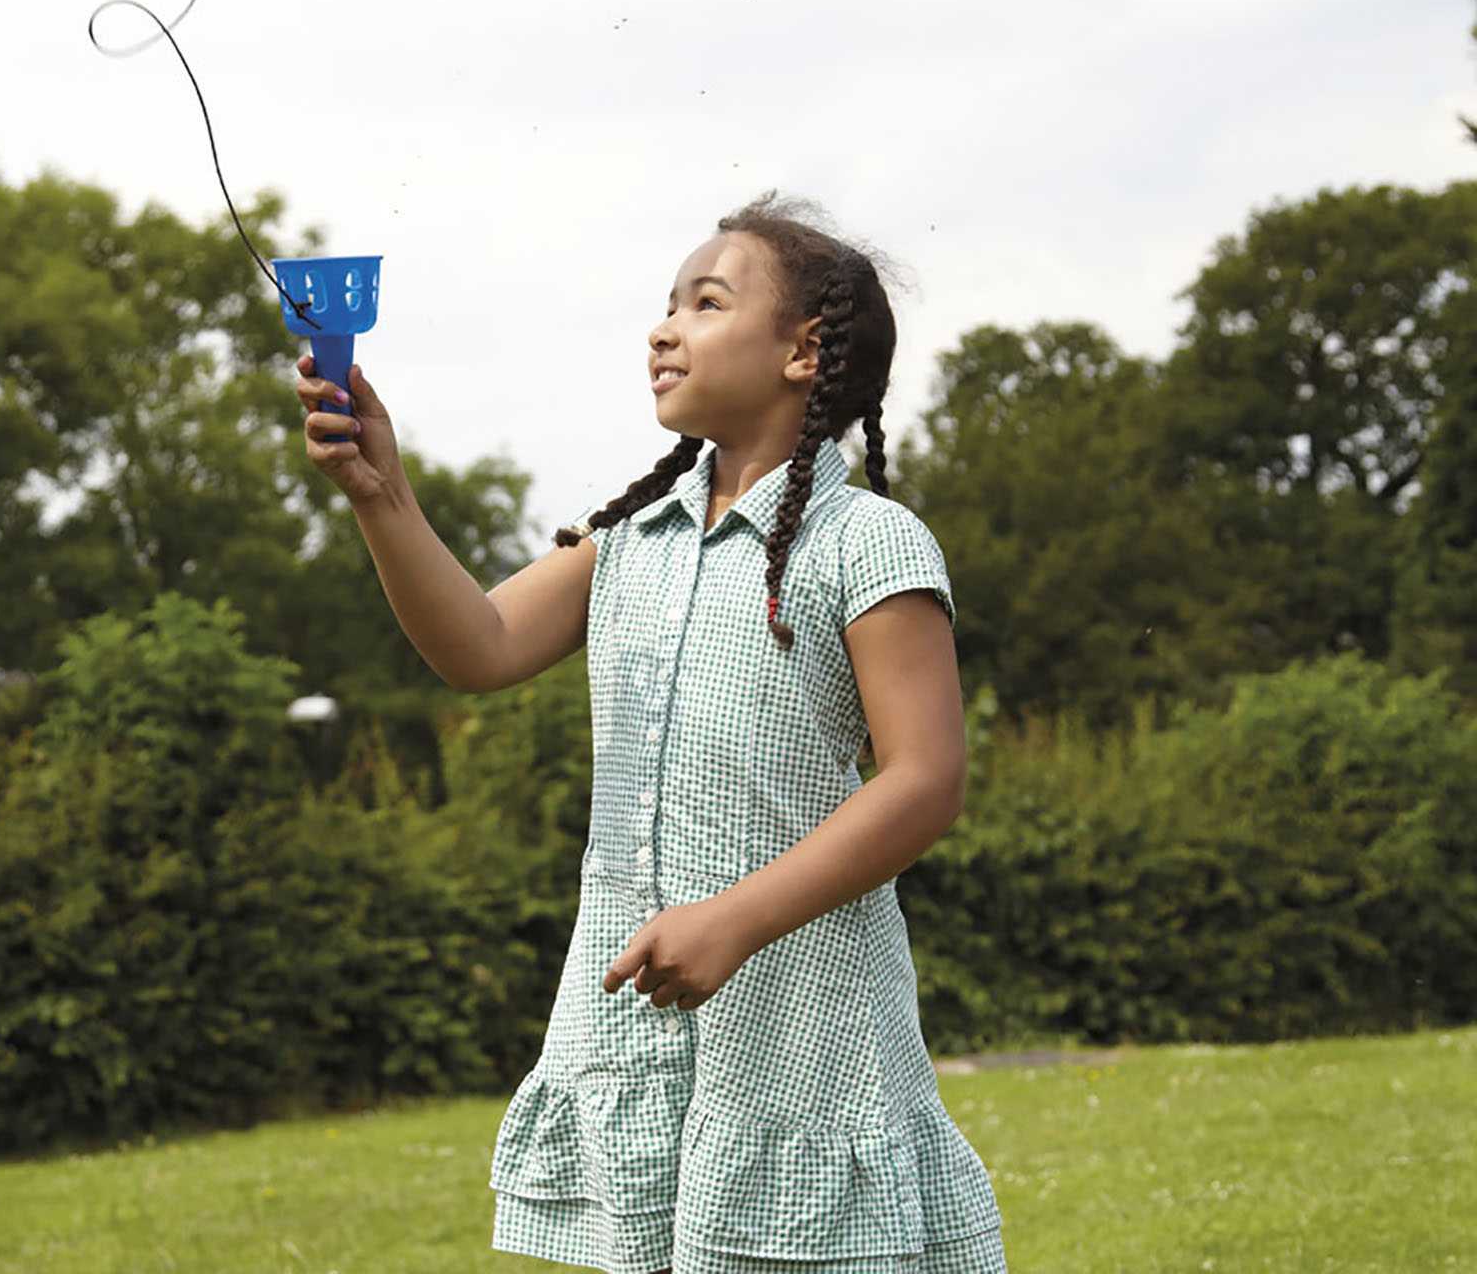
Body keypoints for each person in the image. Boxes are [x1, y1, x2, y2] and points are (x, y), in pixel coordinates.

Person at [295, 191, 1008, 1274]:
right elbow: (479, 645)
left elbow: (926, 781)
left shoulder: (867, 541)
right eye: (667, 304)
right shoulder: (628, 541)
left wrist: (731, 921)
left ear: (804, 351)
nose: (663, 329)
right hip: (640, 1005)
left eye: (705, 303)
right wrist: (378, 491)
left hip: (803, 1016)